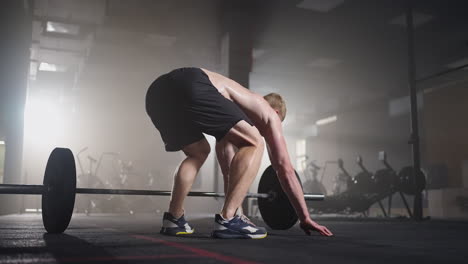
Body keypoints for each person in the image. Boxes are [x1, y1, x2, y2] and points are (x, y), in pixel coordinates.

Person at [145, 67, 333, 239]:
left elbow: (229, 170)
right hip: (190, 82)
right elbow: (285, 169)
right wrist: (304, 217)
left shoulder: (229, 114)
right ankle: (228, 220)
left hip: (158, 94)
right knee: (255, 143)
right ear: (276, 113)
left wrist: (238, 212)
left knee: (198, 153)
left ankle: (174, 218)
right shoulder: (267, 112)